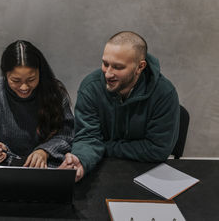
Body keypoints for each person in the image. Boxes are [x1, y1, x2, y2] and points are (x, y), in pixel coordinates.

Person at [60, 31, 179, 181]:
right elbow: (87, 137)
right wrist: (81, 161)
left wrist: (104, 147)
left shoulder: (164, 93)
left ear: (140, 67)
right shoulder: (90, 87)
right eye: (105, 64)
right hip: (102, 173)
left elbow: (157, 149)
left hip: (147, 173)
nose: (108, 74)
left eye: (118, 67)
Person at [0, 40, 74, 168]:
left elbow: (66, 134)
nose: (24, 87)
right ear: (5, 74)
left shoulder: (55, 92)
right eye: (16, 80)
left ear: (40, 72)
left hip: (45, 169)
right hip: (4, 169)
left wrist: (45, 151)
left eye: (31, 79)